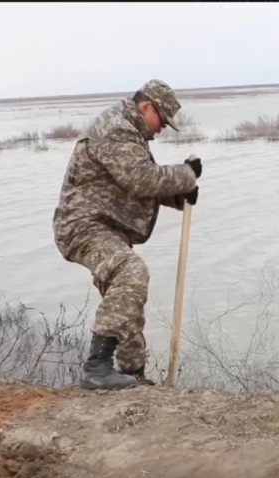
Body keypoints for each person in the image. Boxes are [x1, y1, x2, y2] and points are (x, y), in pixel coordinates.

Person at [52, 79, 202, 391]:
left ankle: (134, 375)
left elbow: (126, 183)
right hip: (84, 227)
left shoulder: (128, 132)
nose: (161, 129)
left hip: (104, 226)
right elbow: (142, 179)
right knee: (131, 274)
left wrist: (177, 196)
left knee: (126, 301)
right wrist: (185, 175)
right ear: (147, 106)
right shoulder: (115, 128)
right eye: (162, 120)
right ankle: (97, 367)